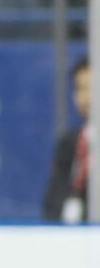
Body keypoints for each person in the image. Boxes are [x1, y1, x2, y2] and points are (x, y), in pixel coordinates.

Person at [44, 59, 89, 223]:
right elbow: (51, 200)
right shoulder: (69, 142)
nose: (85, 98)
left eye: (92, 88)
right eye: (80, 88)